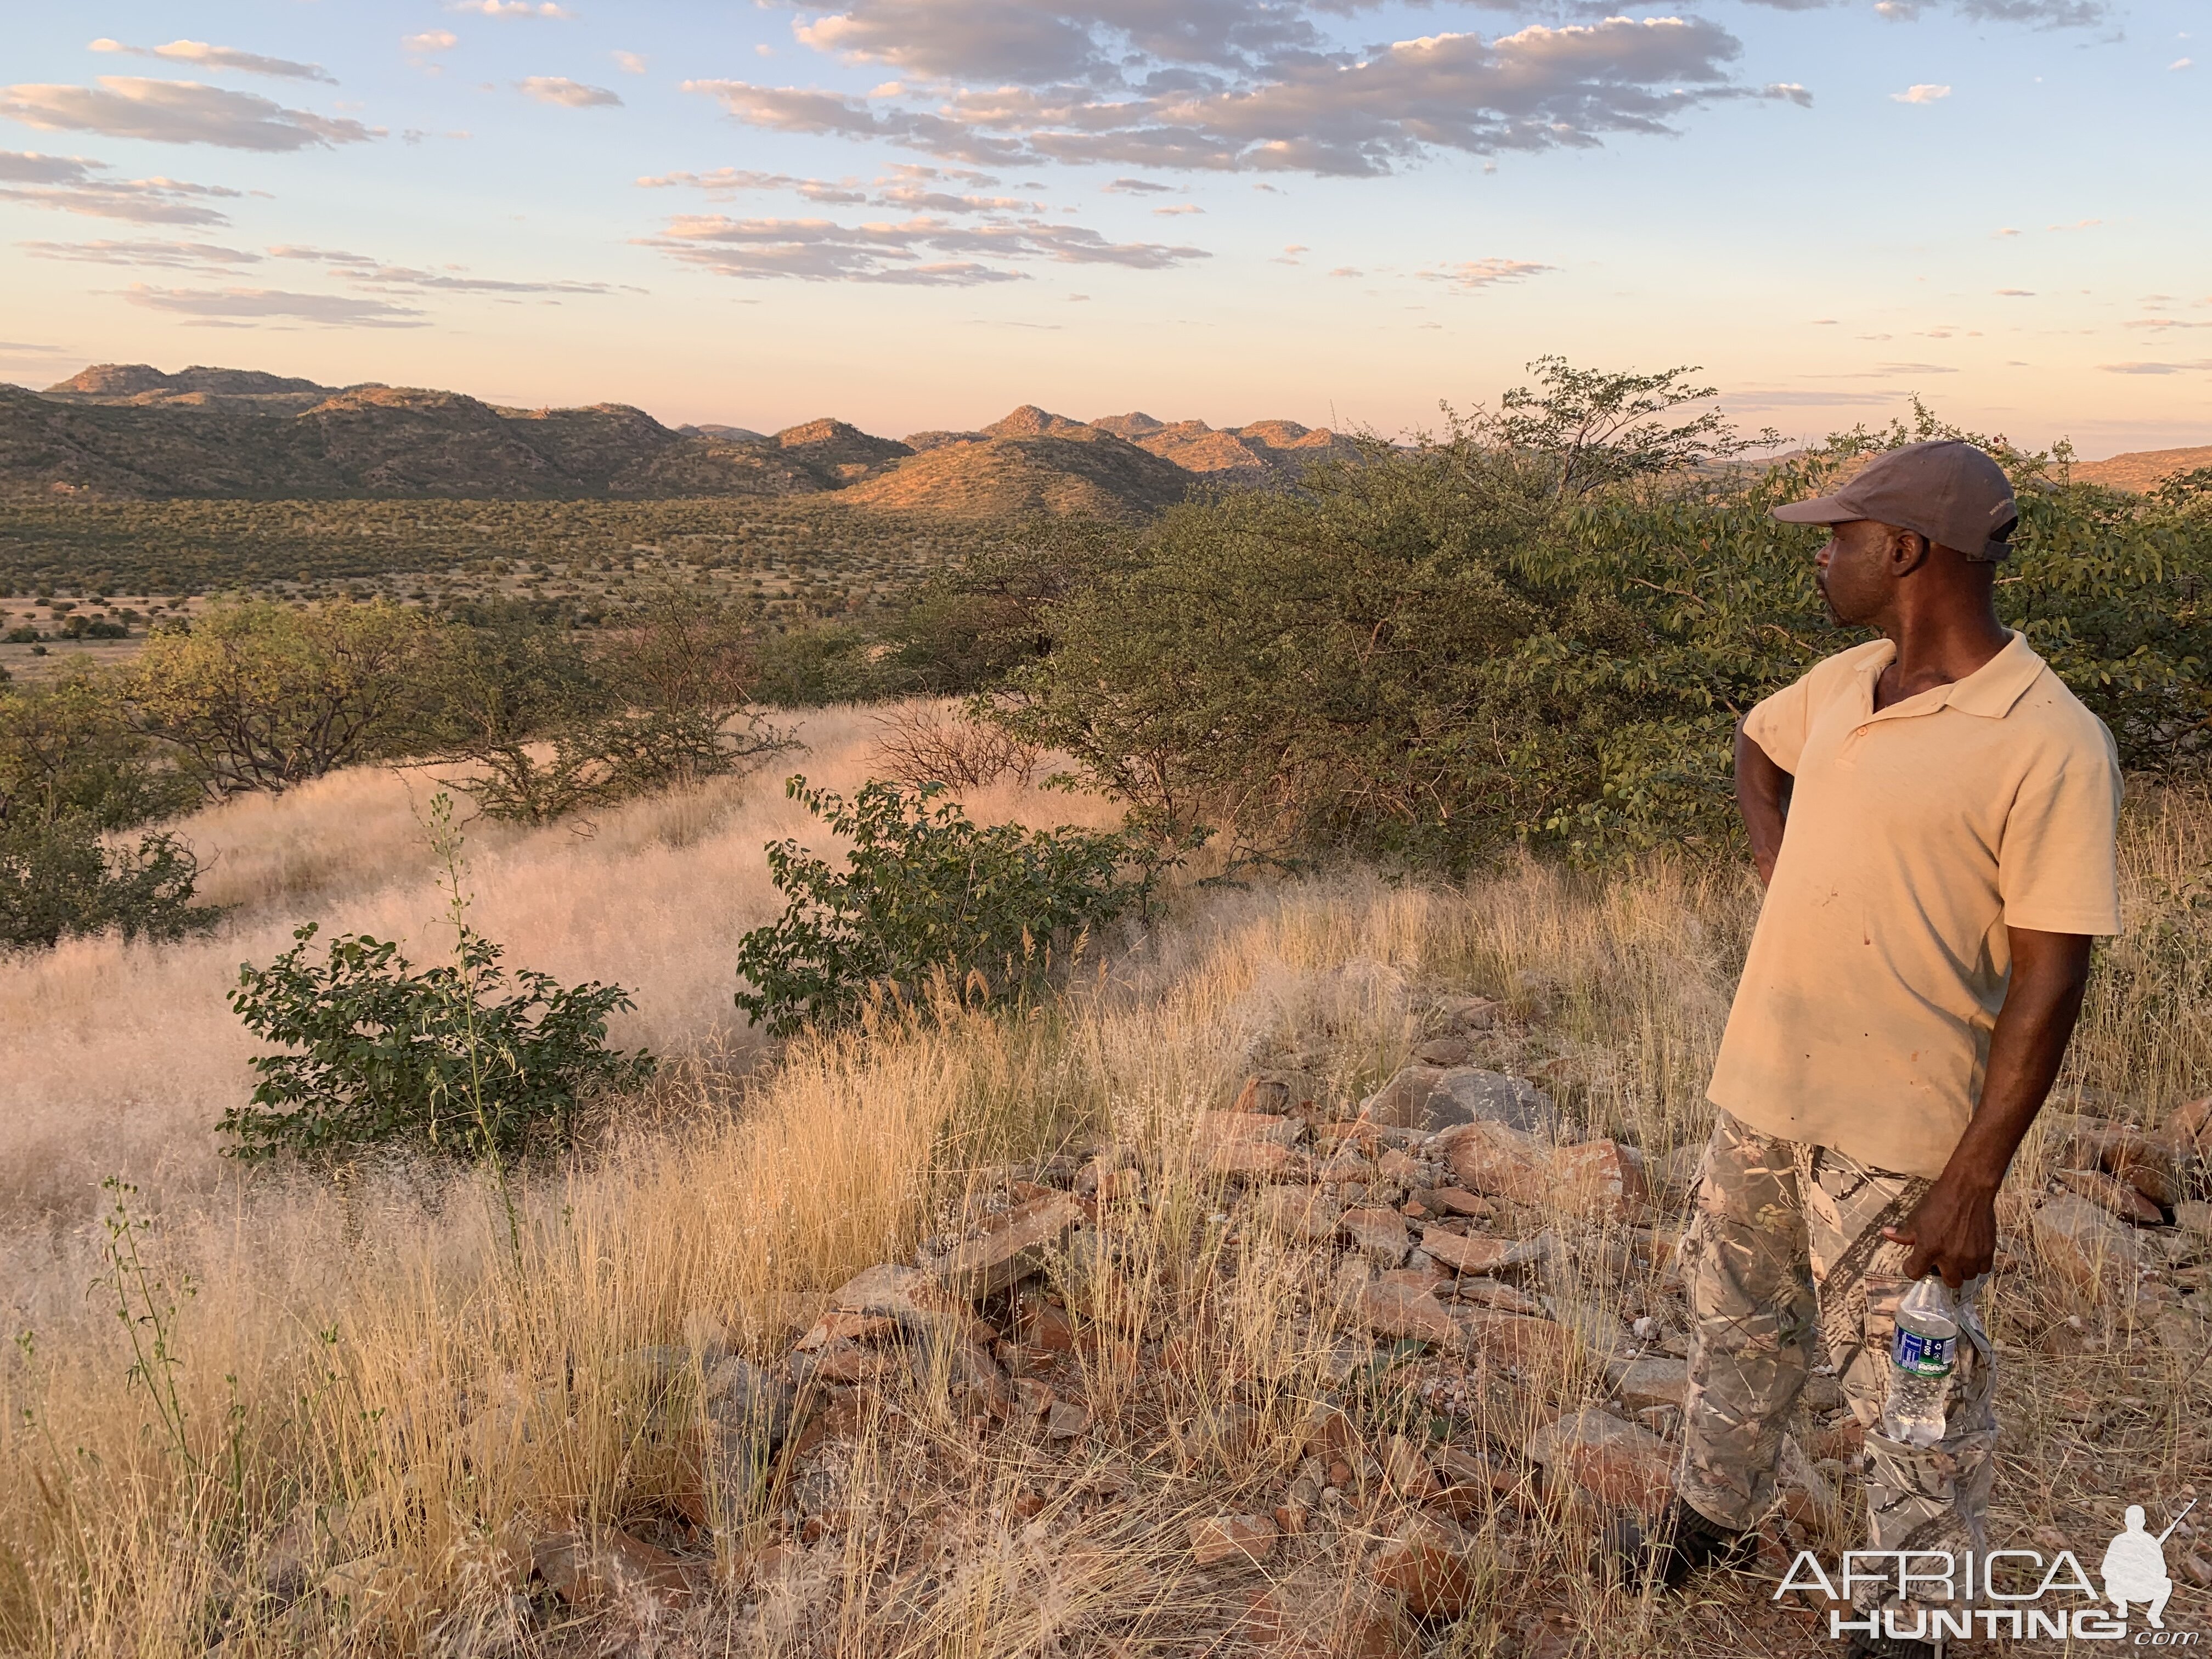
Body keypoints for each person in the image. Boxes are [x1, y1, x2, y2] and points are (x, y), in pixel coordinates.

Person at [1596, 440, 2124, 1659]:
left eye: (1836, 539)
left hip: (1901, 1142)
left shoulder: (2049, 740)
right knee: (1735, 1325)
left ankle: (1909, 1621)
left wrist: (1975, 1179)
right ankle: (1708, 1526)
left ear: (1906, 552)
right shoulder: (1844, 682)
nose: (1821, 560)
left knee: (1920, 1401)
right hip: (1763, 1097)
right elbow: (1757, 744)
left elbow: (2054, 977)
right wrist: (1780, 871)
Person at [2102, 1505, 2174, 1629]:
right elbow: (2106, 1568)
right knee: (2109, 1583)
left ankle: (2154, 1615)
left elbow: (2162, 1571)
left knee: (2166, 1584)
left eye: (2138, 1520)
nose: (2135, 1523)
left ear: (2143, 1522)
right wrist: (2122, 1575)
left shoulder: (2151, 1542)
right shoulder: (2119, 1541)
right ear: (2126, 1522)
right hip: (2122, 1588)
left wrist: (2146, 1571)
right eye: (2132, 1520)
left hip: (2144, 1588)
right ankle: (2122, 1606)